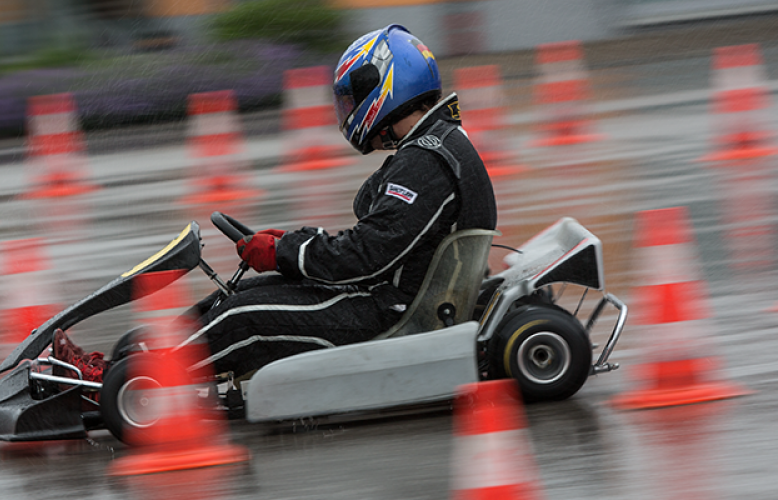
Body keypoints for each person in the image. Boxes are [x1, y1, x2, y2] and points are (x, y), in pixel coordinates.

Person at [56, 25, 497, 383]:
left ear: (384, 86)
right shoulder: (430, 148)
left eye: (353, 97)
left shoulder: (425, 162)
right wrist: (289, 244)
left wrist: (284, 252)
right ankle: (132, 363)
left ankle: (124, 384)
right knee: (245, 292)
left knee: (247, 317)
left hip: (394, 312)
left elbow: (367, 254)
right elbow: (377, 231)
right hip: (395, 293)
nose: (348, 110)